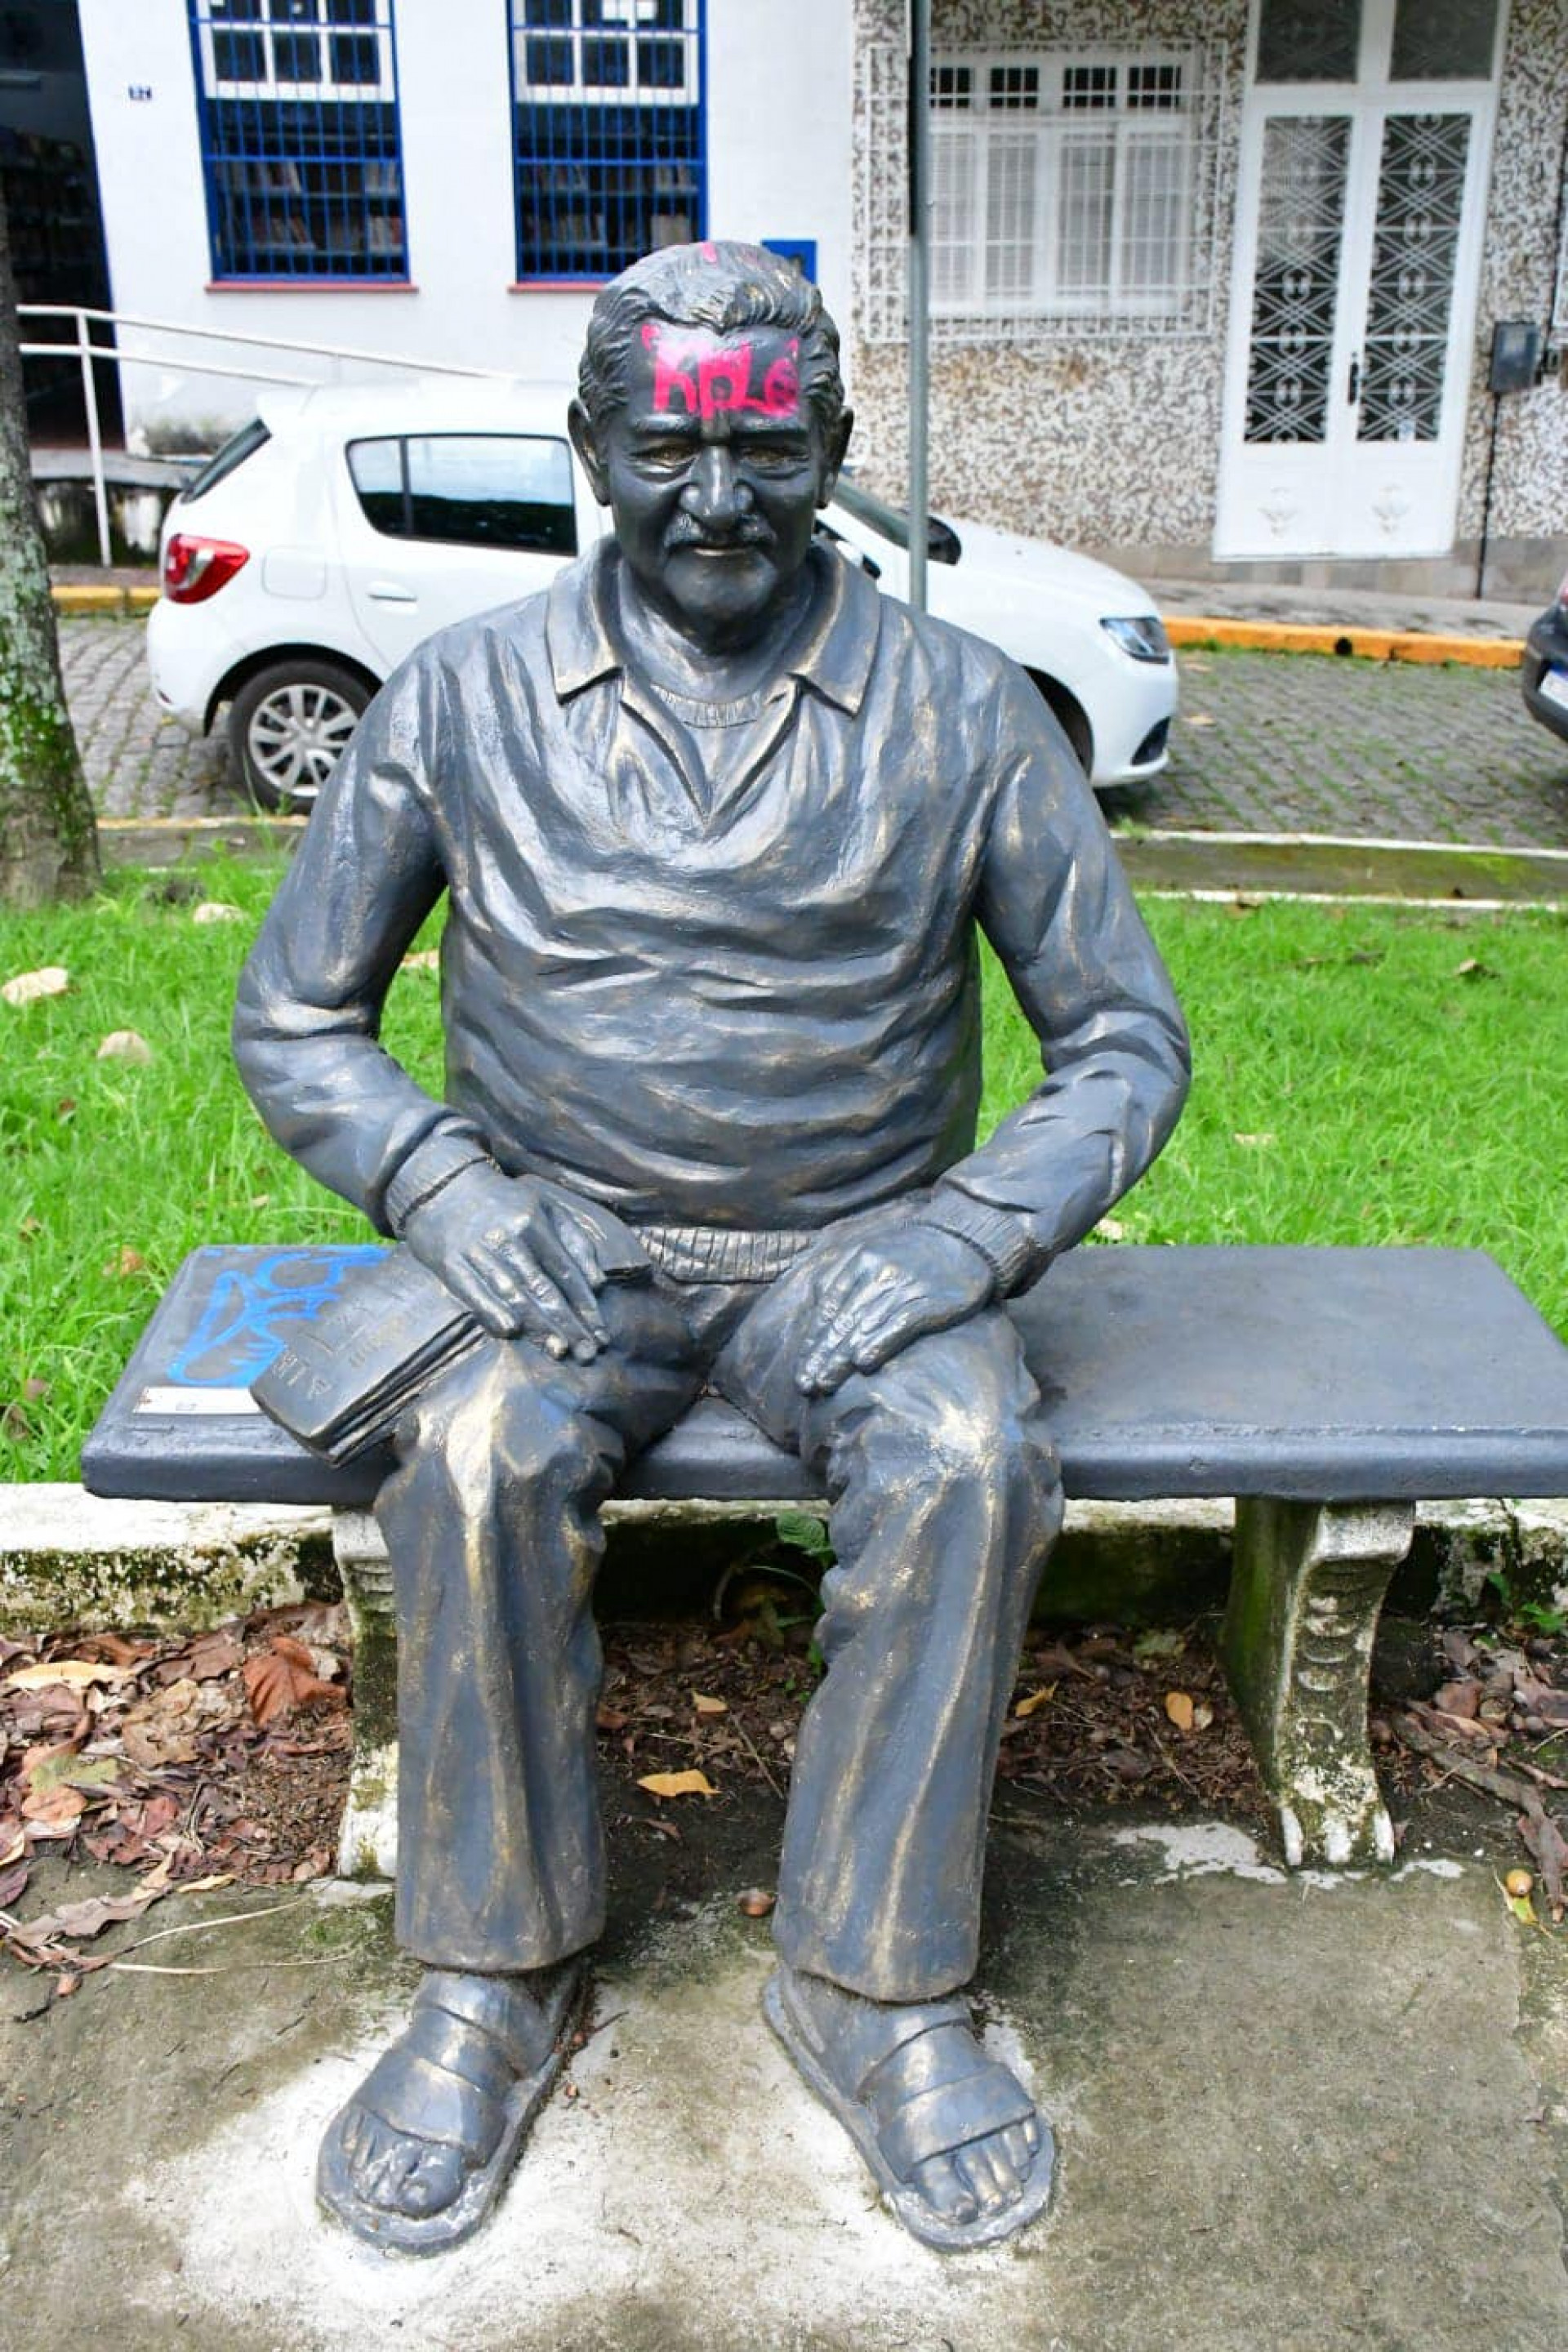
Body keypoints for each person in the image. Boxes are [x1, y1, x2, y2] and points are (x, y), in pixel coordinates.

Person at [233, 240, 1189, 2256]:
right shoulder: (461, 698)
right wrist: (448, 1191)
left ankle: (872, 1982)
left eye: (769, 452)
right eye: (668, 449)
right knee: (473, 1459)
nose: (721, 497)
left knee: (971, 1460)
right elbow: (298, 1017)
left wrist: (964, 1236)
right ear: (591, 451)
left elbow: (1121, 1040)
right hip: (557, 1251)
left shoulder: (963, 710)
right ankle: (494, 1975)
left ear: (834, 450)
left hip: (863, 1251)